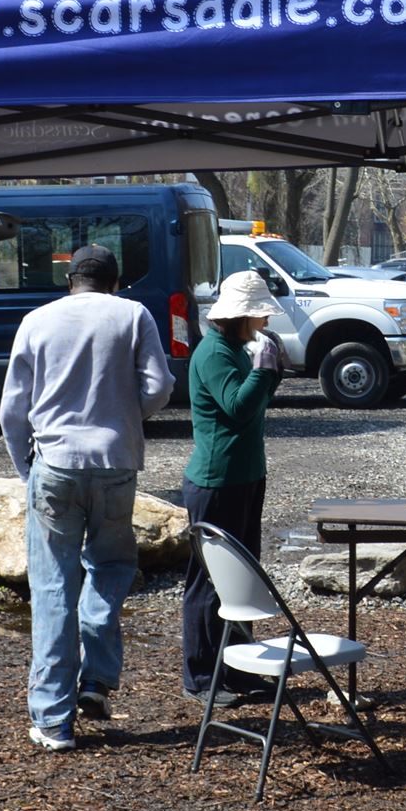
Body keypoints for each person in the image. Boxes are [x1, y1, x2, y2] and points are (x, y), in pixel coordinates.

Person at [0, 244, 176, 752]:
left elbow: (13, 409)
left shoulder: (37, 320)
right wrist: (124, 416)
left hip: (54, 463)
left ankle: (54, 719)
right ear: (115, 282)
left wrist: (24, 467)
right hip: (115, 461)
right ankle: (95, 681)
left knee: (53, 582)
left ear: (69, 280)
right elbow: (160, 385)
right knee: (111, 566)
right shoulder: (133, 315)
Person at [180, 270, 286, 705]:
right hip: (215, 479)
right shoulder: (213, 353)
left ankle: (238, 668)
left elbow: (256, 400)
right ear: (239, 316)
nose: (264, 322)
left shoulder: (237, 349)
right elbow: (239, 408)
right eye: (258, 314)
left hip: (243, 475)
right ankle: (201, 677)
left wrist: (272, 373)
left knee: (242, 580)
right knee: (210, 581)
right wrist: (262, 373)